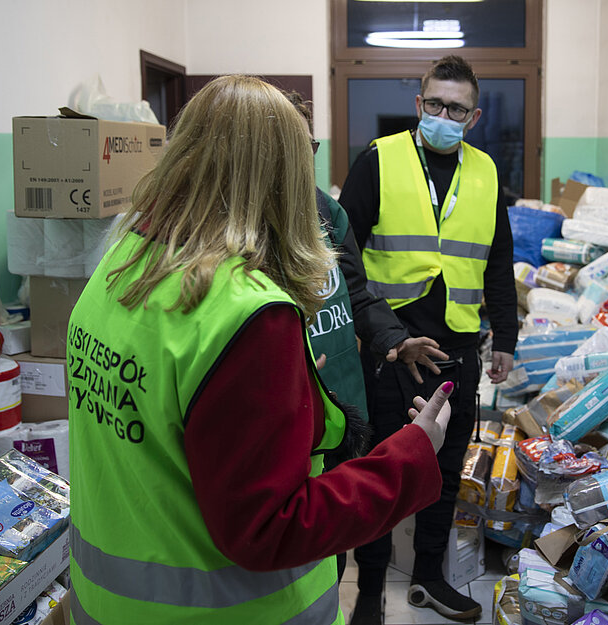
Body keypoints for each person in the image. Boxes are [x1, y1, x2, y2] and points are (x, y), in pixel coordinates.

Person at [65, 74, 456, 625]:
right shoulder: (245, 312)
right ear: (282, 175)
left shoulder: (124, 261)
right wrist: (413, 453)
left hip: (109, 602)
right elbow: (272, 527)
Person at [338, 55, 520, 623]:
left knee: (442, 474)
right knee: (379, 470)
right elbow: (342, 258)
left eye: (457, 108)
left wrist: (506, 336)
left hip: (456, 352)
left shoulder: (487, 172)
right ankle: (369, 592)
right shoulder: (378, 161)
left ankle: (426, 579)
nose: (444, 114)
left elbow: (498, 261)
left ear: (474, 115)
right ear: (419, 105)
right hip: (390, 350)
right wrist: (385, 335)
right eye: (435, 104)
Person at [283, 90, 451, 581]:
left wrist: (395, 340)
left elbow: (353, 287)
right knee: (297, 534)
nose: (301, 161)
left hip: (342, 400)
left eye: (307, 147)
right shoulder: (244, 227)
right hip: (294, 405)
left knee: (332, 542)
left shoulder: (322, 211)